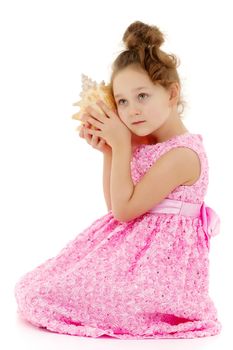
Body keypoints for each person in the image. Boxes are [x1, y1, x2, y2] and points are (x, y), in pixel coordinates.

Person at [14, 20, 222, 339]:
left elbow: (125, 211)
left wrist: (123, 144)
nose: (131, 110)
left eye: (142, 96)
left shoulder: (183, 155)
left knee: (56, 297)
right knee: (41, 287)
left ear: (171, 93)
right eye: (122, 101)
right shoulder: (149, 143)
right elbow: (115, 208)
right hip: (133, 254)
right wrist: (111, 151)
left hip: (158, 274)